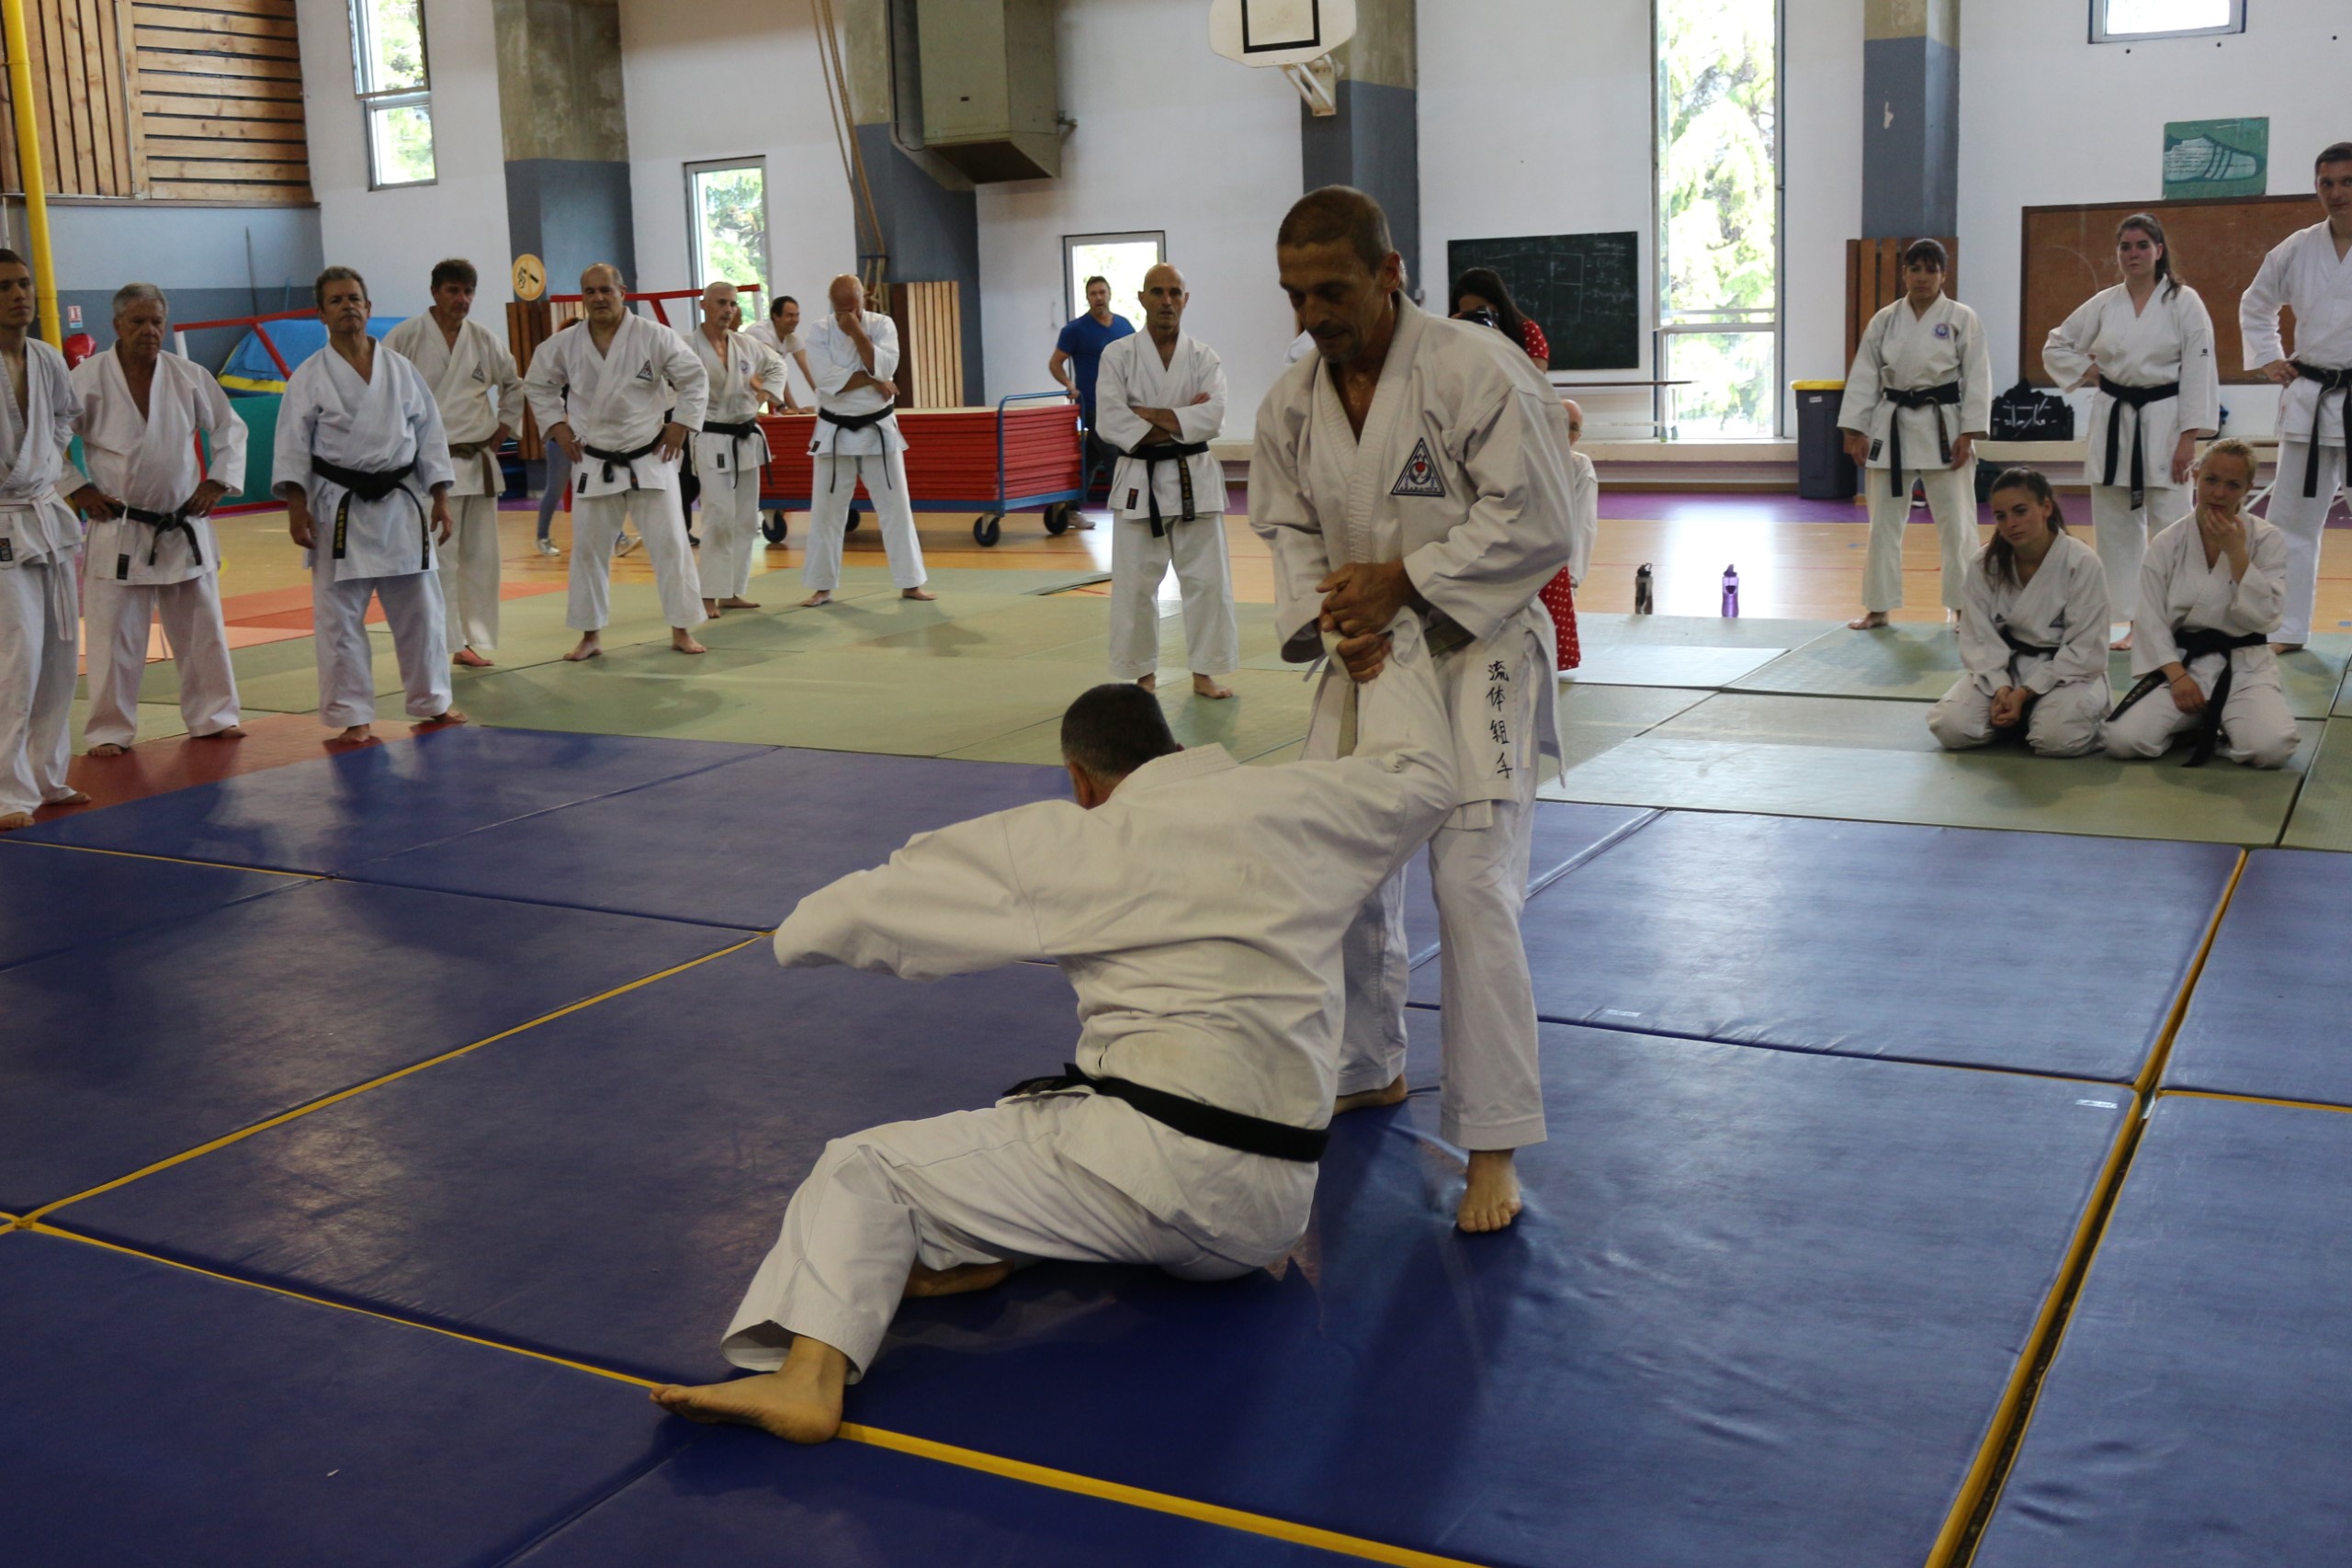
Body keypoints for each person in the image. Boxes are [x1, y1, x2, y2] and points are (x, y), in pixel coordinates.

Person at [648, 615, 1458, 1444]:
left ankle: (806, 1381)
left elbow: (872, 906)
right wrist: (1388, 653)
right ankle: (995, 1249)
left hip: (1164, 1184)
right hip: (1273, 1214)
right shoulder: (1309, 802)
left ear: (1081, 778)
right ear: (1174, 748)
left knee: (864, 1169)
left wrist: (793, 936)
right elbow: (1426, 778)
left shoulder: (1078, 839)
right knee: (1045, 1117)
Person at [1250, 186, 1577, 1233]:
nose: (1312, 314)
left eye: (1332, 290)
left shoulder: (1477, 370)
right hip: (1367, 650)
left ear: (1390, 273)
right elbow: (1288, 529)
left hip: (1478, 645)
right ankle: (1365, 1063)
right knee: (1332, 864)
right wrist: (1329, 617)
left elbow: (1542, 519)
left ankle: (1493, 1143)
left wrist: (1406, 578)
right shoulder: (1289, 404)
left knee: (1473, 886)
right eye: (1295, 294)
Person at [273, 265, 465, 746]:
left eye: (354, 299)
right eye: (336, 301)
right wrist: (296, 507)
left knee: (422, 610)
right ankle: (352, 713)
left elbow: (430, 435)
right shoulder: (309, 376)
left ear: (368, 307)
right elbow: (292, 446)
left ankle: (433, 701)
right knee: (339, 619)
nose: (348, 307)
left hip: (401, 505)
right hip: (338, 508)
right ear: (321, 314)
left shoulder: (400, 369)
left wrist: (441, 496)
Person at [66, 283, 248, 756]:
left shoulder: (187, 375)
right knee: (113, 637)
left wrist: (218, 481)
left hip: (182, 522)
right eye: (138, 322)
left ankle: (214, 716)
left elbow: (230, 428)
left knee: (202, 629)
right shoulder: (87, 378)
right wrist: (78, 488)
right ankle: (109, 729)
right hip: (120, 525)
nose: (149, 331)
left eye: (157, 322)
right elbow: (50, 437)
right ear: (117, 325)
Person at [2042, 215, 2219, 649]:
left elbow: (2199, 371)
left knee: (2174, 527)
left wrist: (2189, 438)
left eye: (2142, 245)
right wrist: (2092, 372)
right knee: (2116, 531)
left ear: (2159, 250)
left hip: (2165, 421)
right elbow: (2056, 345)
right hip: (2114, 421)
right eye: (2125, 246)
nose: (2133, 254)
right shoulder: (2105, 303)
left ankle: (2176, 622)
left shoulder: (2184, 302)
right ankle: (2135, 621)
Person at [521, 264, 711, 660]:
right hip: (594, 457)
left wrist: (681, 425)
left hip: (650, 455)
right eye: (590, 292)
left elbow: (694, 378)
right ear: (583, 297)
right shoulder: (565, 344)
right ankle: (590, 635)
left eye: (605, 290)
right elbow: (537, 383)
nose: (598, 298)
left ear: (622, 292)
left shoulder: (654, 336)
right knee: (588, 551)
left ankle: (681, 629)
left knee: (672, 545)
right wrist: (557, 426)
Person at [2102, 439, 2297, 769]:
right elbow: (2150, 619)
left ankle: (2222, 726)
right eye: (2211, 480)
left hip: (2244, 666)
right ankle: (2194, 725)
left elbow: (2268, 618)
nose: (2219, 493)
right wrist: (2177, 677)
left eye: (2233, 485)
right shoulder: (2168, 542)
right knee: (2122, 740)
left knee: (2272, 749)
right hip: (2183, 664)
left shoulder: (2266, 539)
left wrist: (2236, 553)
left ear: (2248, 488)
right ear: (2195, 476)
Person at [1093, 263, 1238, 701]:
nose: (1166, 301)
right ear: (1142, 298)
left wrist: (1145, 414)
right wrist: (1182, 418)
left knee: (1207, 583)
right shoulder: (1117, 355)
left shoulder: (1203, 357)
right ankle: (1143, 676)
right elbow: (1110, 421)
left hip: (1196, 480)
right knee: (1135, 586)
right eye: (1157, 292)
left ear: (1186, 300)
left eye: (1175, 292)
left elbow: (1213, 418)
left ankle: (1205, 673)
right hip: (1140, 481)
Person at [1838, 240, 1992, 631]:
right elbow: (1864, 375)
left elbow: (1977, 376)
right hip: (1892, 425)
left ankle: (1963, 608)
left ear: (1944, 275)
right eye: (1915, 269)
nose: (1923, 277)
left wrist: (1969, 433)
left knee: (1958, 525)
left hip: (1945, 427)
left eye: (1931, 270)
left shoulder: (1961, 317)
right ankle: (1878, 607)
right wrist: (1856, 430)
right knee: (1883, 524)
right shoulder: (1885, 320)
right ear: (1904, 273)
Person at [2239, 141, 2352, 653]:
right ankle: (2286, 628)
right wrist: (2269, 356)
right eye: (2327, 183)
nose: (2336, 192)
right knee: (2290, 522)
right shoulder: (2299, 248)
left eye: (2347, 181)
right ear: (2317, 188)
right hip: (2310, 398)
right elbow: (2256, 302)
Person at [382, 259, 524, 668]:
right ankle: (443, 642)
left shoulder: (483, 339)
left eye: (468, 292)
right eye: (453, 291)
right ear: (435, 292)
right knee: (438, 559)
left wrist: (505, 425)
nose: (462, 299)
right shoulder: (406, 337)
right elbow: (382, 391)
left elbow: (514, 385)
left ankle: (470, 638)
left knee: (481, 558)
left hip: (476, 462)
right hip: (427, 467)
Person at [1924, 468, 2109, 757]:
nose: (2011, 524)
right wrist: (2001, 688)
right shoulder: (1985, 564)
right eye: (2001, 516)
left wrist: (2025, 692)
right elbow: (1979, 638)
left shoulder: (2081, 562)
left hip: (2069, 674)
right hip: (2005, 669)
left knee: (2056, 739)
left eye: (2020, 511)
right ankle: (2018, 717)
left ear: (2046, 507)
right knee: (1950, 727)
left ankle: (2059, 718)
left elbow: (2083, 649)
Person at [0, 249, 89, 829]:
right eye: (5, 287)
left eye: (24, 284)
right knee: (17, 655)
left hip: (44, 513)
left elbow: (64, 416)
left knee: (59, 651)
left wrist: (43, 461)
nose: (19, 295)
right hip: (3, 519)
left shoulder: (46, 357)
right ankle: (7, 790)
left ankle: (47, 774)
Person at [799, 274, 933, 607]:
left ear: (865, 299)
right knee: (827, 512)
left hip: (878, 429)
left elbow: (885, 367)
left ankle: (911, 582)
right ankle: (822, 586)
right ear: (831, 304)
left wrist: (858, 334)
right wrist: (873, 381)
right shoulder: (819, 331)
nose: (847, 315)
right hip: (834, 430)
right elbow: (826, 381)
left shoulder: (882, 325)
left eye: (854, 308)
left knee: (896, 507)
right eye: (840, 310)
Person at [683, 281, 787, 619]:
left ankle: (731, 591)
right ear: (704, 305)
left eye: (732, 303)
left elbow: (778, 366)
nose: (728, 310)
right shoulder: (686, 346)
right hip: (711, 437)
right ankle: (708, 593)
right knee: (718, 517)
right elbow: (664, 383)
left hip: (746, 437)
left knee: (745, 519)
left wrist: (765, 394)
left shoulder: (745, 344)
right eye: (721, 303)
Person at [1049, 275, 1135, 527]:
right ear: (1087, 298)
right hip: (1092, 406)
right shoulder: (1075, 330)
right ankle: (1126, 513)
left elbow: (1136, 361)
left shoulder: (1124, 326)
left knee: (1091, 460)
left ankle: (1069, 508)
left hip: (1120, 405)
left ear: (1110, 294)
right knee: (1114, 456)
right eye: (1093, 294)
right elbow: (1055, 363)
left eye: (1102, 292)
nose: (1098, 298)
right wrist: (1069, 385)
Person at [746, 293, 813, 547]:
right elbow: (765, 376)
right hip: (743, 387)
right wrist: (784, 406)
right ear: (775, 316)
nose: (795, 320)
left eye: (797, 315)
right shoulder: (761, 334)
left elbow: (808, 371)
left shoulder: (792, 339)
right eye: (789, 315)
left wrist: (825, 402)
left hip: (759, 389)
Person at [1537, 399, 1593, 673]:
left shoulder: (1579, 466)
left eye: (1573, 428)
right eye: (1561, 424)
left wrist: (1571, 582)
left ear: (1578, 436)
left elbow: (1583, 524)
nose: (1566, 433)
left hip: (1553, 564)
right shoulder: (1518, 457)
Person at [1451, 267, 1549, 372]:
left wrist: (1500, 342)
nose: (1475, 320)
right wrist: (1447, 334)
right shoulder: (1455, 337)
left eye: (1481, 312)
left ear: (1499, 305)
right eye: (1468, 315)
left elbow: (1535, 376)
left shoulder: (1526, 330)